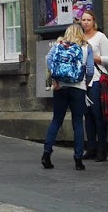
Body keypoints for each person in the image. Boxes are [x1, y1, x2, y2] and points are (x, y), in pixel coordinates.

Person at [41, 21, 95, 171]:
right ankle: (78, 159)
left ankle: (47, 153)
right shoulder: (86, 47)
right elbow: (90, 69)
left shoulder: (59, 45)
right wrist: (86, 82)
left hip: (60, 87)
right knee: (77, 123)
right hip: (78, 88)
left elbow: (48, 59)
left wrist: (55, 79)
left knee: (56, 120)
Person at [79, 10, 108, 162]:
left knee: (98, 115)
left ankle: (102, 149)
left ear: (94, 22)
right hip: (82, 81)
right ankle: (91, 148)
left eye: (88, 20)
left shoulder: (101, 37)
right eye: (83, 20)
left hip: (96, 79)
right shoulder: (79, 38)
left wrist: (94, 57)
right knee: (87, 115)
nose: (85, 22)